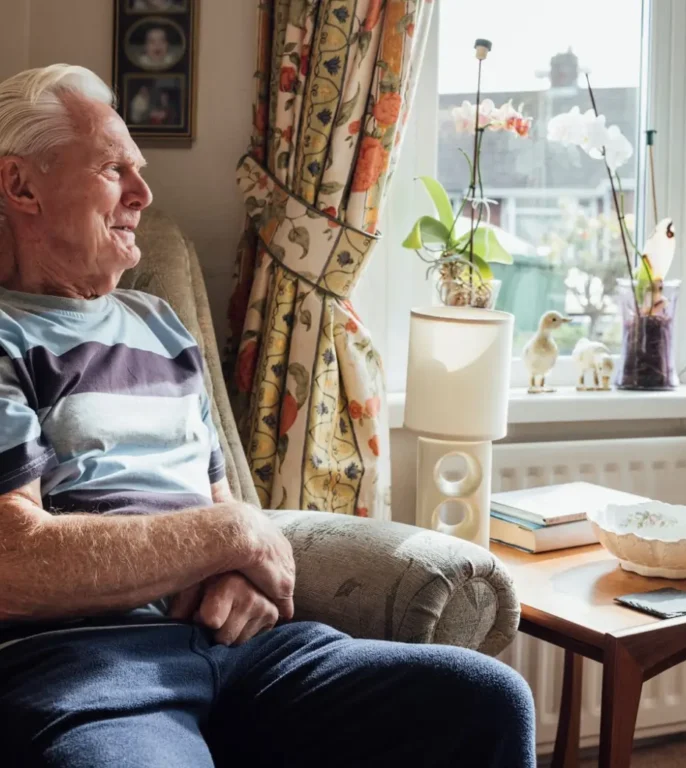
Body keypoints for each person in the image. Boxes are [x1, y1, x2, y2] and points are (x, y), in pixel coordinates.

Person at [0, 64, 536, 767]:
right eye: (112, 169)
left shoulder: (159, 324)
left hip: (246, 651)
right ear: (20, 185)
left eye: (139, 169)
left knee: (484, 700)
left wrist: (240, 569)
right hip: (88, 665)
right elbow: (15, 560)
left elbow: (218, 500)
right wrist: (235, 535)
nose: (143, 193)